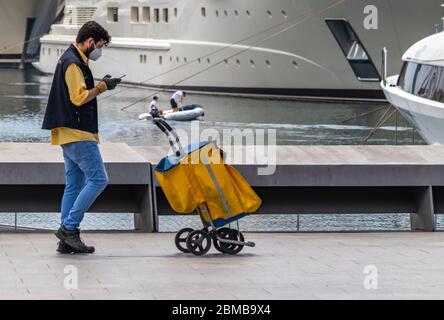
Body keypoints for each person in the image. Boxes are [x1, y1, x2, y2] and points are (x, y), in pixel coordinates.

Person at [41, 21, 122, 254]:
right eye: (100, 45)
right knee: (99, 179)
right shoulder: (73, 63)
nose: (100, 50)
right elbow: (78, 98)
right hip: (78, 133)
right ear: (89, 42)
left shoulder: (71, 59)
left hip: (67, 133)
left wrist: (102, 84)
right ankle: (69, 228)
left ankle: (66, 240)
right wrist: (102, 87)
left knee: (74, 185)